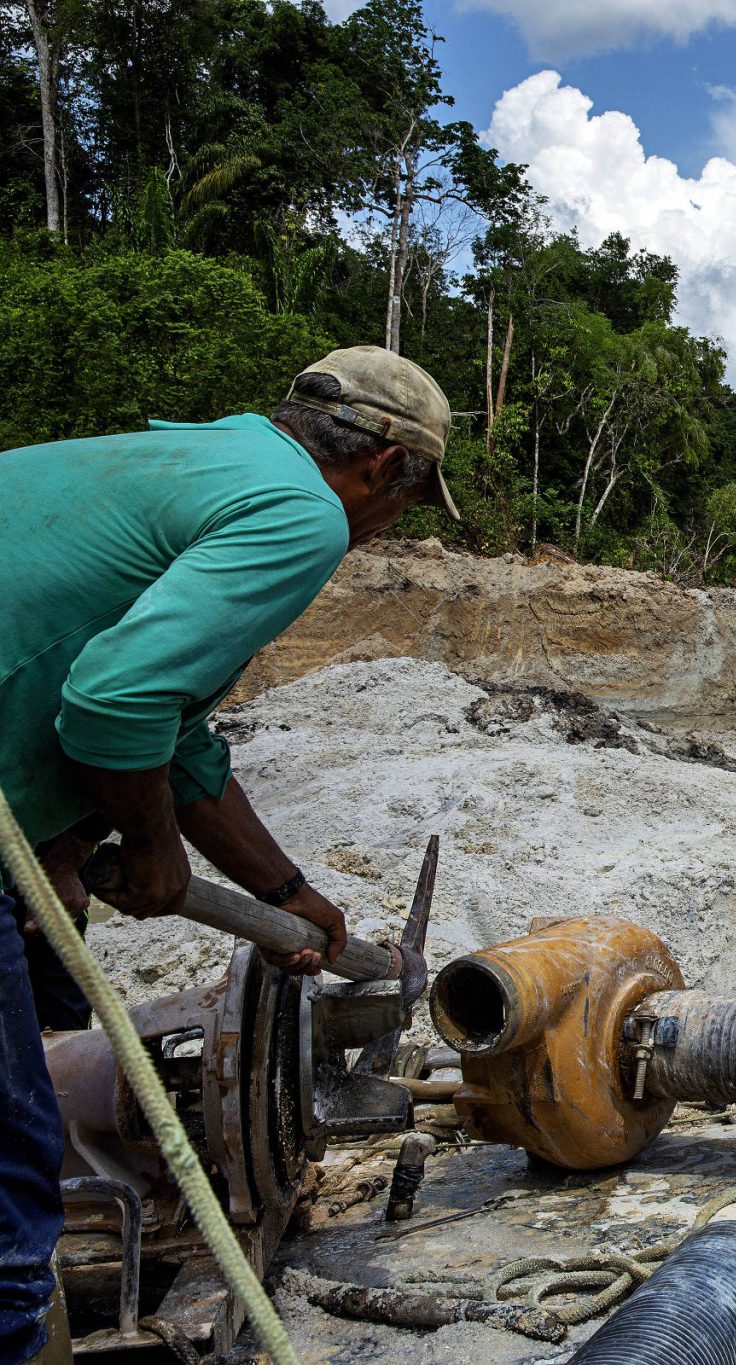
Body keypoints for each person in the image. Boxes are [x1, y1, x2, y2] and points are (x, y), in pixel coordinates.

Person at [0, 346, 457, 1364]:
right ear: (385, 467)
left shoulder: (209, 459)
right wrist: (152, 850)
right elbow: (117, 702)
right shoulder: (302, 514)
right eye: (405, 507)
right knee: (10, 1182)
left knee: (49, 1013)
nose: (386, 530)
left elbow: (180, 742)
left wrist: (288, 892)